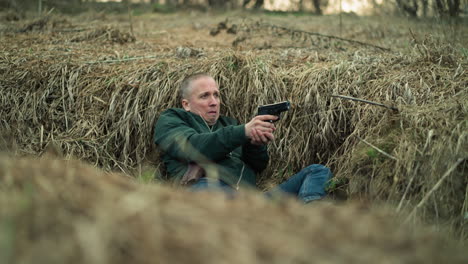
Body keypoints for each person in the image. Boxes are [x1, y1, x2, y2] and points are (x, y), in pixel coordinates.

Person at [153, 73, 332, 203]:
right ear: (186, 104)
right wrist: (243, 131)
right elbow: (193, 147)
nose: (214, 102)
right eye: (204, 96)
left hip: (250, 200)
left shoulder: (229, 123)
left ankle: (311, 215)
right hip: (206, 193)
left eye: (216, 94)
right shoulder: (172, 119)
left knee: (317, 171)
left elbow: (258, 166)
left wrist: (256, 144)